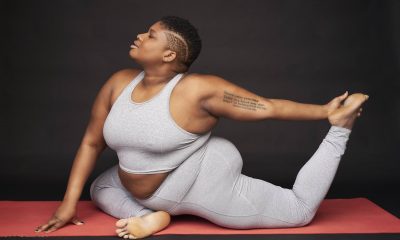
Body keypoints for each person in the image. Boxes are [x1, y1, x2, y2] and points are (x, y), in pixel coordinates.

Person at [35, 15, 369, 239]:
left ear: (168, 54)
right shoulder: (118, 82)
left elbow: (265, 106)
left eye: (150, 35)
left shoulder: (197, 89)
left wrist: (326, 112)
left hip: (198, 180)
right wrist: (69, 202)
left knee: (299, 210)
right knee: (100, 187)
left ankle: (342, 127)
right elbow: (92, 143)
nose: (139, 36)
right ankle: (153, 216)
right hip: (141, 187)